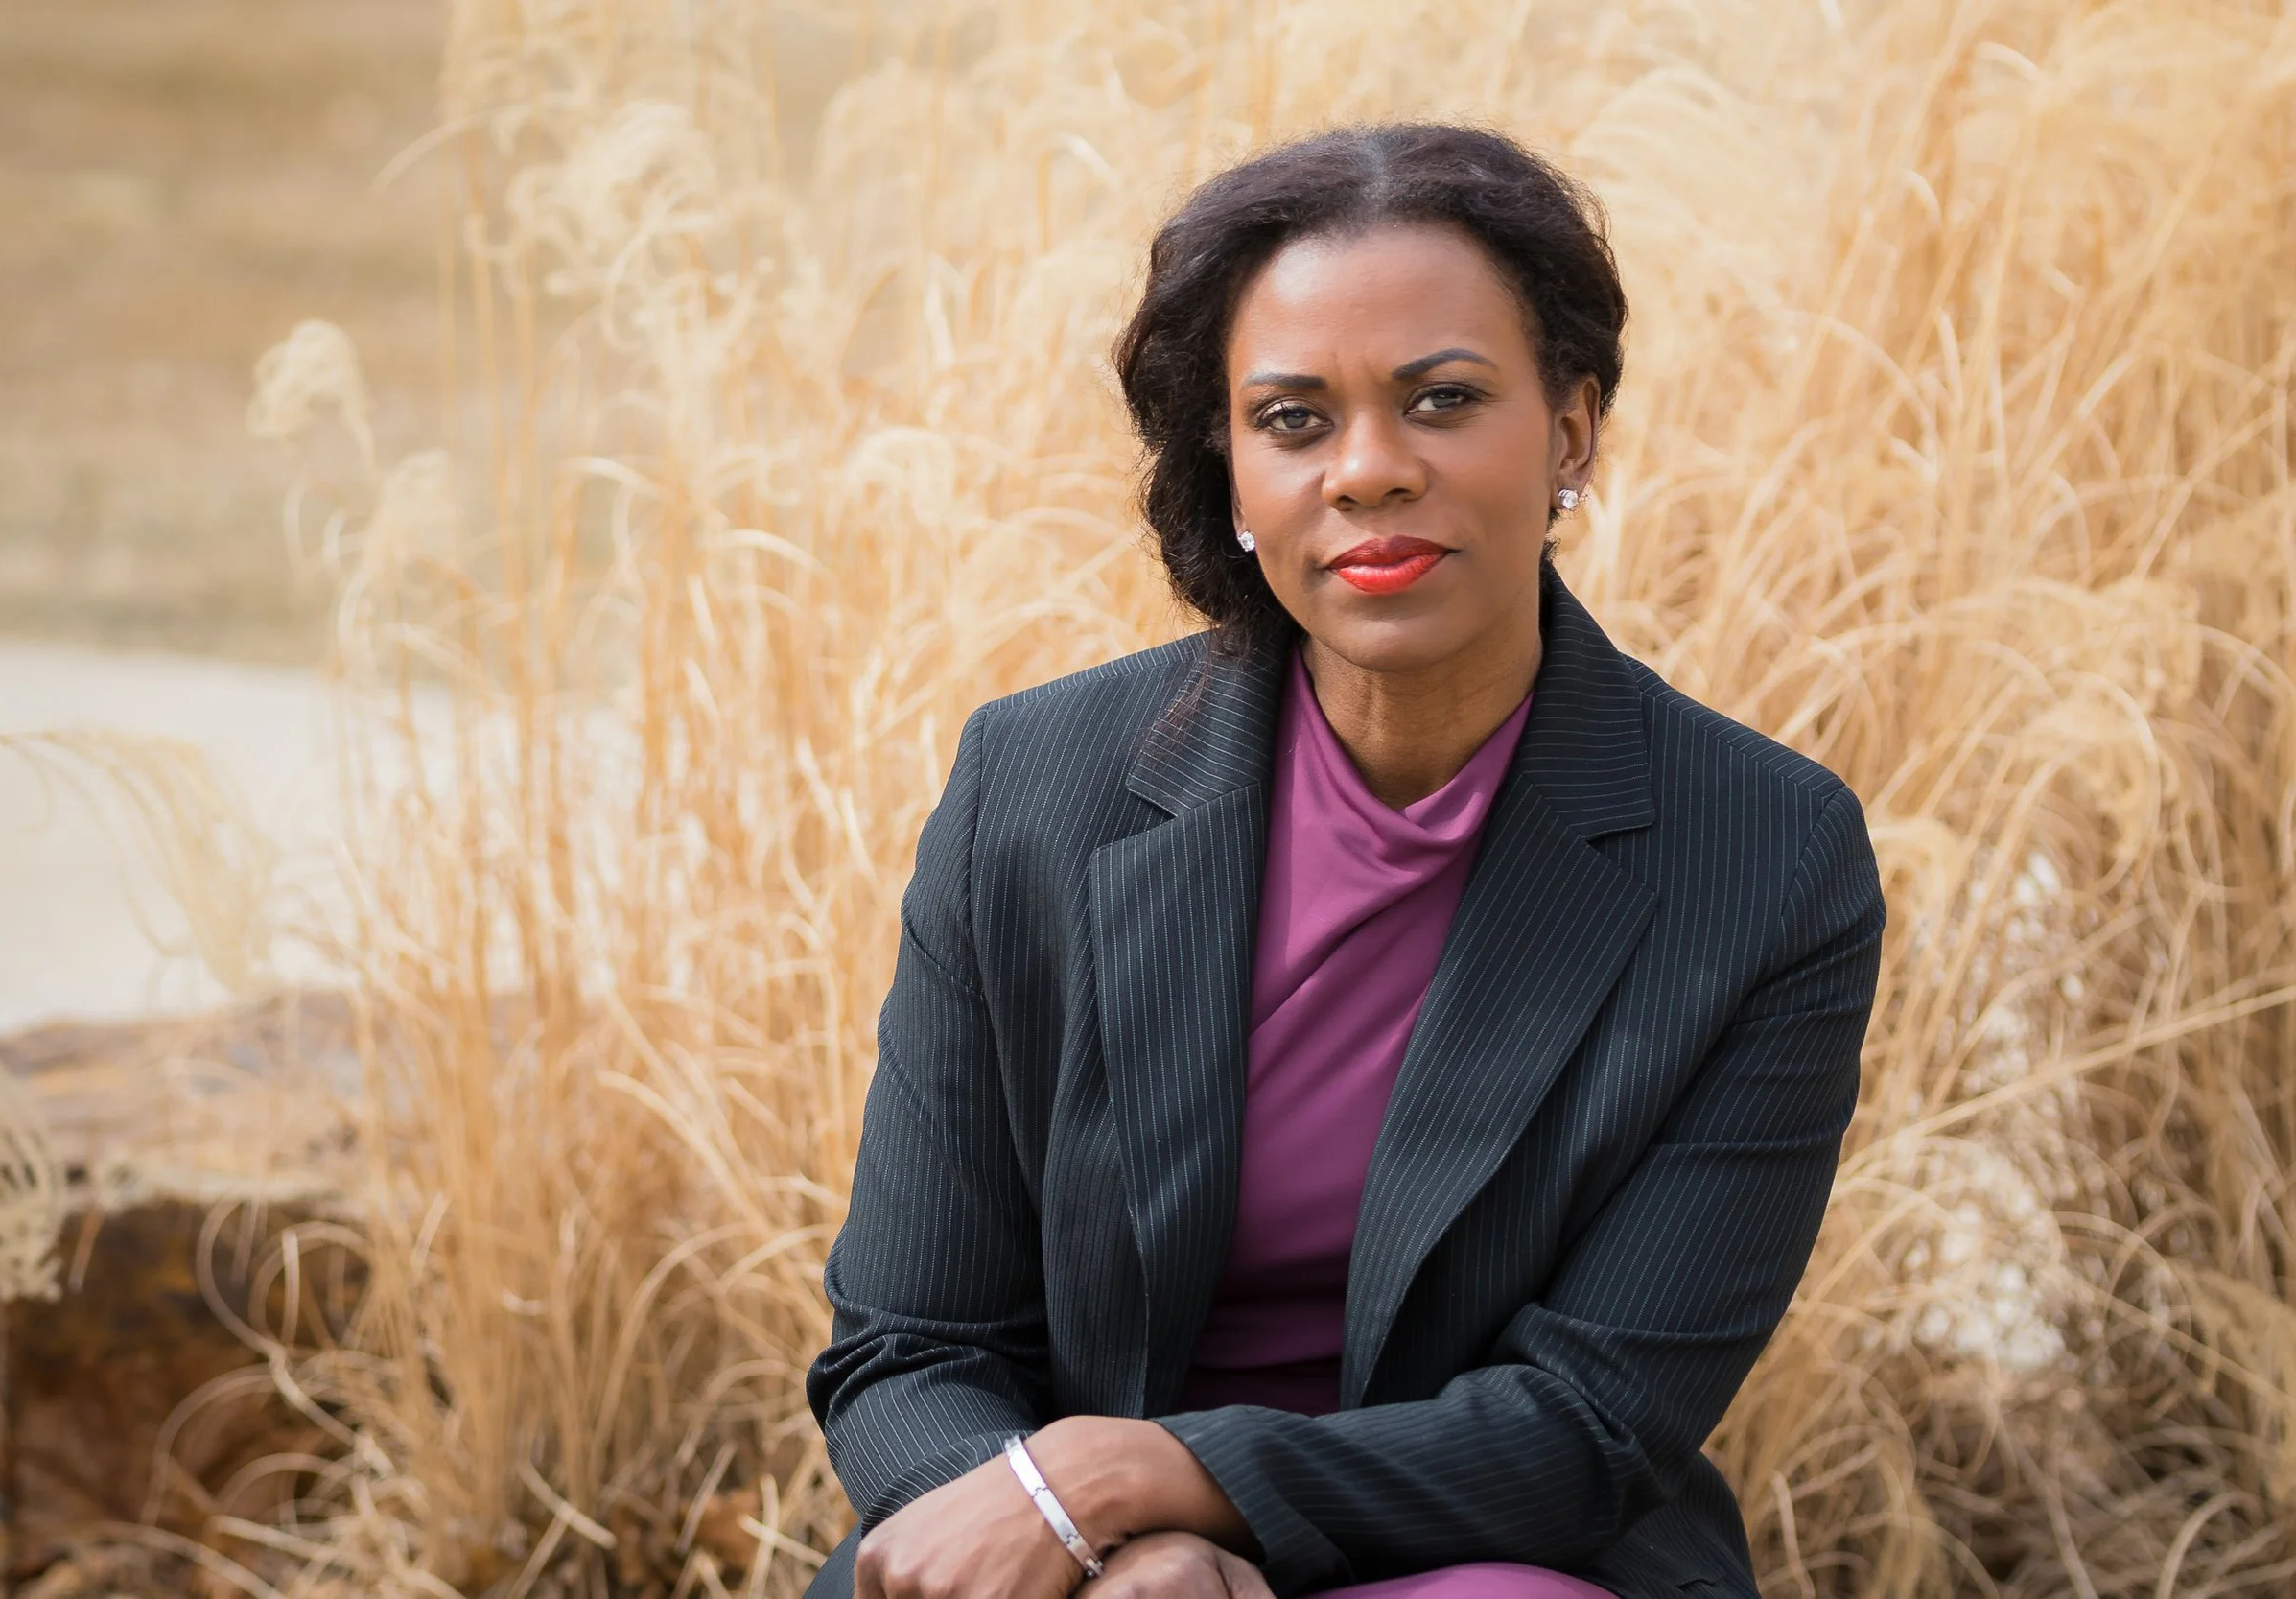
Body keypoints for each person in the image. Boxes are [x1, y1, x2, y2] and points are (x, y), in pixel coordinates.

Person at [803, 123, 1884, 1599]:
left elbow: (1590, 1421)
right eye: (1296, 420)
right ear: (1231, 470)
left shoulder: (1764, 855)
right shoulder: (1037, 789)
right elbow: (908, 1339)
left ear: (1570, 428)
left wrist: (1149, 1477)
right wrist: (1104, 1549)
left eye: (1442, 400)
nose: (1369, 471)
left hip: (1490, 1549)